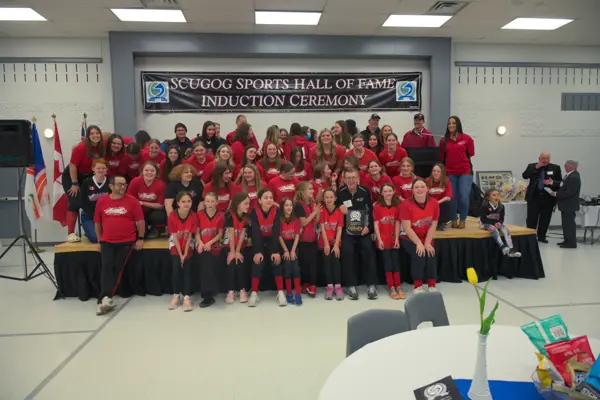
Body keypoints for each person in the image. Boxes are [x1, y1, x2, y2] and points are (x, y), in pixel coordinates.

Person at [93, 175, 145, 315]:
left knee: (117, 268)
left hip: (126, 241)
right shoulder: (102, 202)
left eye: (124, 184)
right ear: (111, 186)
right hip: (106, 240)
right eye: (120, 184)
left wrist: (140, 238)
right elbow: (97, 222)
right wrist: (99, 240)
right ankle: (105, 297)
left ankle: (106, 297)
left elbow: (140, 221)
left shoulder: (132, 201)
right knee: (106, 267)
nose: (123, 187)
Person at [336, 169, 378, 300]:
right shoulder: (340, 192)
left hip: (363, 230)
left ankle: (371, 285)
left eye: (354, 177)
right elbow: (335, 210)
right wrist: (339, 210)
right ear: (344, 179)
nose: (351, 180)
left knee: (368, 250)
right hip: (347, 231)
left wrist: (368, 227)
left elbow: (369, 211)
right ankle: (350, 285)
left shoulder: (364, 191)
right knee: (347, 252)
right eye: (348, 177)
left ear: (358, 178)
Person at [64, 125, 105, 242]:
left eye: (97, 133)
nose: (95, 136)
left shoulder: (102, 145)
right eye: (92, 134)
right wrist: (75, 183)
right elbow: (73, 165)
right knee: (75, 199)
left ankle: (89, 230)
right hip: (73, 175)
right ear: (88, 136)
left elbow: (112, 138)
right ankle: (71, 233)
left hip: (88, 175)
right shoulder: (81, 148)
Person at [399, 178, 439, 294]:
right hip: (409, 237)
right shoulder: (406, 204)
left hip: (426, 236)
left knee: (431, 252)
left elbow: (433, 225)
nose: (419, 189)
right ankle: (417, 286)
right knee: (419, 254)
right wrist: (418, 244)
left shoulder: (434, 203)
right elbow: (407, 228)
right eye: (416, 187)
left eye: (422, 187)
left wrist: (427, 243)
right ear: (412, 190)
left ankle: (432, 284)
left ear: (427, 189)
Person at [249, 189, 283, 307]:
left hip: (272, 240)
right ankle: (254, 292)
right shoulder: (254, 211)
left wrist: (275, 251)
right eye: (266, 197)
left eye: (271, 197)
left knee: (276, 260)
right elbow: (255, 232)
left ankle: (280, 291)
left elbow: (276, 231)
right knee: (258, 262)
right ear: (259, 200)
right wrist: (257, 251)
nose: (269, 200)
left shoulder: (276, 210)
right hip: (259, 240)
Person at [439, 116, 475, 229]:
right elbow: (442, 157)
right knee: (452, 197)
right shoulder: (443, 140)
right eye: (449, 123)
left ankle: (463, 219)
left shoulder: (467, 138)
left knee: (464, 196)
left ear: (458, 124)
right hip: (450, 173)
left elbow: (472, 153)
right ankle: (453, 219)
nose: (451, 125)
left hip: (465, 172)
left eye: (453, 123)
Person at [167, 191, 197, 312]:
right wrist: (180, 254)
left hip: (187, 243)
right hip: (176, 243)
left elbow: (190, 236)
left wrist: (185, 254)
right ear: (178, 203)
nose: (186, 204)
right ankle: (175, 295)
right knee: (176, 268)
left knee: (187, 270)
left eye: (189, 201)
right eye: (183, 201)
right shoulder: (172, 216)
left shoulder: (193, 215)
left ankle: (186, 297)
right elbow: (174, 236)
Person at [373, 183, 405, 299]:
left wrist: (396, 238)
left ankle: (398, 286)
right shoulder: (377, 206)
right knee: (388, 264)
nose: (388, 193)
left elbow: (397, 222)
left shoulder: (397, 205)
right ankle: (391, 287)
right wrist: (379, 239)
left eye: (390, 191)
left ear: (394, 192)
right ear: (381, 193)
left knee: (396, 263)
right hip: (383, 239)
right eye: (385, 191)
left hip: (393, 238)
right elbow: (376, 224)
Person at [522, 152, 563, 243]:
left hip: (548, 197)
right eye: (543, 158)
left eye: (547, 158)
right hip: (534, 197)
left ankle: (541, 236)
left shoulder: (555, 168)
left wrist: (552, 182)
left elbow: (559, 182)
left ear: (549, 159)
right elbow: (525, 175)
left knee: (545, 218)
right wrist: (536, 168)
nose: (545, 160)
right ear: (539, 158)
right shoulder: (532, 166)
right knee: (531, 218)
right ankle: (530, 236)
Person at [196, 192, 224, 308]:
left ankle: (208, 295)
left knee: (208, 261)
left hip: (215, 247)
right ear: (204, 202)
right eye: (208, 201)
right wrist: (201, 243)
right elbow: (197, 232)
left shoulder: (221, 215)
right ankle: (207, 294)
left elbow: (220, 234)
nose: (210, 204)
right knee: (205, 261)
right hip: (202, 246)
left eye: (213, 201)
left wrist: (209, 243)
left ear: (217, 202)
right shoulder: (199, 214)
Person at [224, 192, 251, 304]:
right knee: (231, 264)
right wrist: (232, 252)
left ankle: (242, 289)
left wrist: (238, 251)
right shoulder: (229, 215)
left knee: (239, 263)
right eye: (245, 203)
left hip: (240, 246)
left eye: (248, 203)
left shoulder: (246, 217)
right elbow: (231, 235)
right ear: (238, 204)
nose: (248, 206)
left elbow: (241, 235)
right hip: (229, 246)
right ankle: (230, 290)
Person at [294, 182, 321, 297]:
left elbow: (317, 220)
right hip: (303, 239)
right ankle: (305, 284)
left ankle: (313, 285)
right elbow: (304, 222)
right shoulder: (299, 205)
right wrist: (315, 212)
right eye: (309, 189)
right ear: (302, 191)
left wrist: (317, 212)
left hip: (313, 237)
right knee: (305, 263)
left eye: (312, 189)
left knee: (313, 263)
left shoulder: (312, 203)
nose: (312, 191)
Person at [127, 161, 167, 238]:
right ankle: (144, 229)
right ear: (142, 171)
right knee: (141, 234)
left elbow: (161, 205)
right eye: (146, 170)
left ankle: (156, 229)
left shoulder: (161, 185)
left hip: (153, 211)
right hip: (138, 211)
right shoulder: (135, 181)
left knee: (159, 216)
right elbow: (130, 200)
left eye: (152, 171)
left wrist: (142, 203)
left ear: (156, 172)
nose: (149, 173)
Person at [480, 189, 522, 257]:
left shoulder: (501, 206)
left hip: (496, 223)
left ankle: (511, 249)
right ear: (488, 198)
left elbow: (501, 218)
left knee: (506, 230)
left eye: (498, 195)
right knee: (493, 228)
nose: (496, 197)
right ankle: (502, 246)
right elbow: (483, 219)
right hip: (485, 223)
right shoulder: (485, 206)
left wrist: (499, 223)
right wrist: (494, 224)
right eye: (494, 195)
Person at [320, 188, 344, 301]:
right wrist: (326, 244)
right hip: (324, 242)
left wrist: (336, 245)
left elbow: (339, 229)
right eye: (326, 197)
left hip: (335, 242)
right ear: (323, 199)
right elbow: (322, 229)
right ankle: (329, 286)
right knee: (327, 262)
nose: (329, 199)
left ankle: (338, 286)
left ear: (335, 198)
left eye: (331, 197)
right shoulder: (322, 211)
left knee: (336, 262)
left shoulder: (339, 211)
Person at [80, 159, 111, 243]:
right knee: (95, 238)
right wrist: (95, 215)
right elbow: (82, 201)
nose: (101, 170)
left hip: (106, 216)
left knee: (109, 236)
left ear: (107, 169)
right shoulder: (87, 182)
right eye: (98, 168)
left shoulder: (110, 182)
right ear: (93, 169)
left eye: (103, 168)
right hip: (89, 216)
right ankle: (88, 231)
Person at [552, 160, 581, 249]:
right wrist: (552, 182)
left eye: (566, 165)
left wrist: (557, 194)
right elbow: (563, 184)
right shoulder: (569, 175)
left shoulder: (574, 177)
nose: (564, 167)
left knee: (569, 224)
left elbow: (570, 192)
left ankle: (571, 243)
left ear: (571, 167)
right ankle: (567, 240)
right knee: (565, 224)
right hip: (565, 204)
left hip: (569, 204)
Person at [279, 198, 302, 305]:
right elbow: (279, 237)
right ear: (282, 207)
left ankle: (297, 292)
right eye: (286, 205)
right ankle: (288, 292)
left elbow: (297, 235)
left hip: (293, 245)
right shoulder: (279, 220)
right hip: (284, 246)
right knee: (287, 268)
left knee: (295, 268)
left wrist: (293, 250)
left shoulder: (296, 220)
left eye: (290, 205)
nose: (289, 207)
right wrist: (286, 251)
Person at [426, 164, 453, 231]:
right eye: (434, 171)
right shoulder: (427, 180)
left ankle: (440, 223)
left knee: (447, 203)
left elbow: (448, 197)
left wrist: (437, 203)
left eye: (438, 171)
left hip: (440, 203)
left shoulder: (446, 180)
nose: (436, 173)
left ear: (442, 173)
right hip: (429, 203)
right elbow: (424, 195)